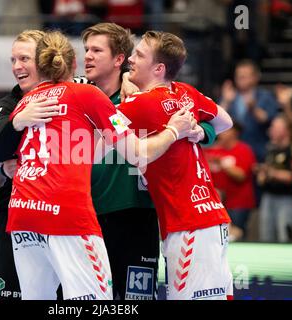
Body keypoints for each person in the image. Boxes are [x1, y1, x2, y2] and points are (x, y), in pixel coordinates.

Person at [6, 30, 202, 300]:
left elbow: (79, 153)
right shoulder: (87, 94)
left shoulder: (25, 102)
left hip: (21, 214)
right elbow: (137, 154)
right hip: (65, 214)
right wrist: (173, 131)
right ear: (72, 63)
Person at [82, 22, 217, 300]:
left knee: (137, 297)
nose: (87, 56)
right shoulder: (80, 95)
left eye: (96, 50)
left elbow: (208, 122)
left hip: (137, 211)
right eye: (86, 50)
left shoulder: (142, 96)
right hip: (89, 214)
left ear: (119, 59)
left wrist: (201, 132)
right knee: (90, 297)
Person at [117, 30, 234, 300]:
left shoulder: (140, 103)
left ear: (158, 68)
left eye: (139, 55)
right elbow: (226, 121)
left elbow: (102, 123)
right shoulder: (186, 93)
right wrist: (201, 132)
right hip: (209, 216)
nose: (131, 59)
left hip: (189, 224)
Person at [0, 30, 62, 300]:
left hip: (61, 219)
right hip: (14, 217)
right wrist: (20, 120)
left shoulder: (71, 93)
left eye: (24, 58)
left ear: (44, 60)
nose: (17, 66)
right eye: (13, 59)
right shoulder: (8, 104)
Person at [204, 122, 257, 241]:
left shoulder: (244, 150)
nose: (221, 132)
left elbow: (241, 176)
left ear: (234, 132)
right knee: (216, 237)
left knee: (236, 235)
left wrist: (222, 163)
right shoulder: (212, 150)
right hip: (216, 204)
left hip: (238, 203)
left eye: (225, 130)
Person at [220, 59, 279, 163]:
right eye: (238, 76)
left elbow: (268, 119)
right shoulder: (230, 96)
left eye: (244, 76)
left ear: (255, 77)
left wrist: (253, 108)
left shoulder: (265, 96)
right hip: (232, 152)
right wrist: (226, 101)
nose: (240, 79)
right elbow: (217, 120)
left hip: (257, 150)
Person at [256, 115, 292, 243]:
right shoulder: (271, 149)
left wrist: (269, 172)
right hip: (268, 196)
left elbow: (291, 176)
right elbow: (264, 174)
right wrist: (262, 175)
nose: (271, 130)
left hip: (287, 198)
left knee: (285, 235)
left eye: (275, 127)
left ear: (285, 130)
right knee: (265, 235)